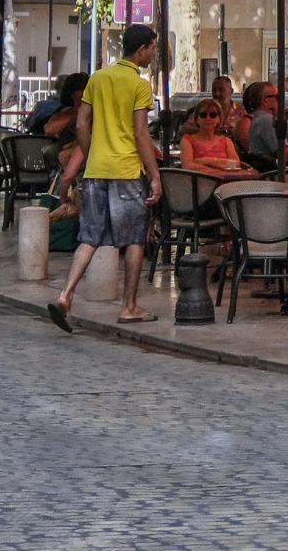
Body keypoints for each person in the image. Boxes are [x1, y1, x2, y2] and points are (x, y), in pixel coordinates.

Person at [48, 24, 165, 331]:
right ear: (140, 50)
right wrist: (154, 176)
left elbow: (82, 125)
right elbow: (141, 133)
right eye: (152, 48)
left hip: (97, 172)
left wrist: (92, 153)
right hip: (127, 172)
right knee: (135, 238)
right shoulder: (140, 86)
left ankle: (65, 297)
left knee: (90, 237)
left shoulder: (97, 78)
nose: (154, 54)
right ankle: (129, 307)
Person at [179, 99, 247, 174]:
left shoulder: (226, 141)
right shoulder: (187, 141)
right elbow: (188, 167)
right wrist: (221, 168)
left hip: (226, 184)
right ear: (196, 119)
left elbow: (236, 164)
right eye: (203, 115)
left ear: (219, 119)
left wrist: (205, 161)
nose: (208, 118)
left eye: (213, 115)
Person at [241, 81, 288, 172]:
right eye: (277, 97)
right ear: (265, 101)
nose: (280, 100)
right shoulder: (267, 120)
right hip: (279, 173)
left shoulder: (258, 119)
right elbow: (284, 153)